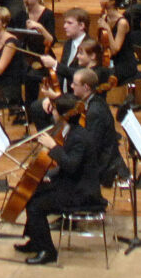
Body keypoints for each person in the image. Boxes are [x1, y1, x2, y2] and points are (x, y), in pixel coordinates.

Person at [16, 70, 112, 266]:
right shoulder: (70, 131)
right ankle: (36, 239)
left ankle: (47, 251)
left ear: (63, 115)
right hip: (71, 184)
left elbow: (70, 165)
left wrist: (53, 147)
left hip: (82, 193)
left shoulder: (78, 137)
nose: (53, 114)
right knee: (31, 192)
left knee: (36, 205)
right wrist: (47, 175)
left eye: (55, 111)